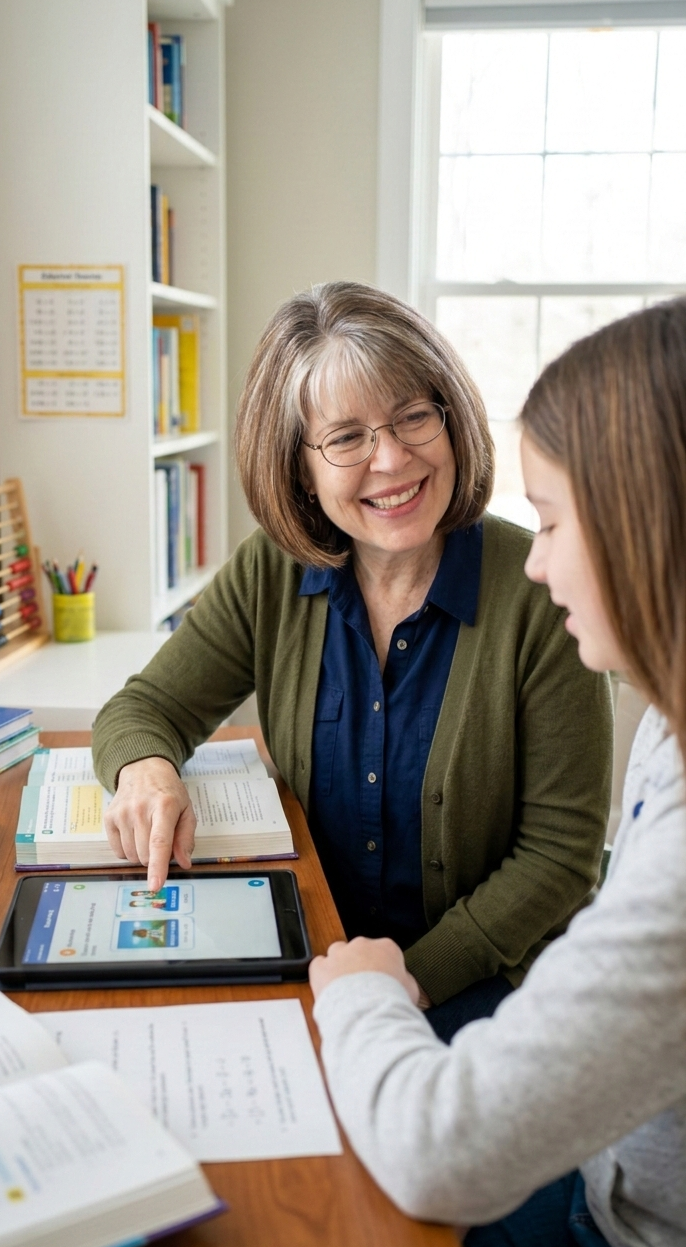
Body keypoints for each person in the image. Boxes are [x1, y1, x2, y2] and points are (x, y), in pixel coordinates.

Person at [92, 281, 612, 1038]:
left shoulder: (540, 587)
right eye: (346, 437)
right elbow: (144, 710)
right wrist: (147, 768)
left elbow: (560, 859)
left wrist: (399, 984)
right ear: (300, 466)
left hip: (489, 993)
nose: (392, 459)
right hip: (311, 965)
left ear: (452, 417)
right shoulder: (271, 573)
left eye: (413, 417)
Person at [309, 297, 686, 1246]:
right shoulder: (669, 733)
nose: (539, 563)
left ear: (653, 527)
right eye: (348, 436)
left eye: (554, 523)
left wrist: (366, 987)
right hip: (600, 1172)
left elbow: (445, 1149)